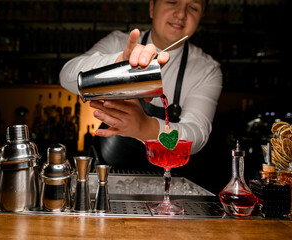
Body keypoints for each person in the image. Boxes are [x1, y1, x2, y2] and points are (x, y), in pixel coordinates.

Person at [59, 0, 222, 169]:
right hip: (105, 176)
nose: (181, 14)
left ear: (201, 17)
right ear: (152, 8)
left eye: (193, 8)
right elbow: (66, 76)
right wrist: (117, 64)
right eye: (172, 2)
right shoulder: (117, 42)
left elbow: (197, 134)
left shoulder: (206, 69)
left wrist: (144, 127)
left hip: (166, 184)